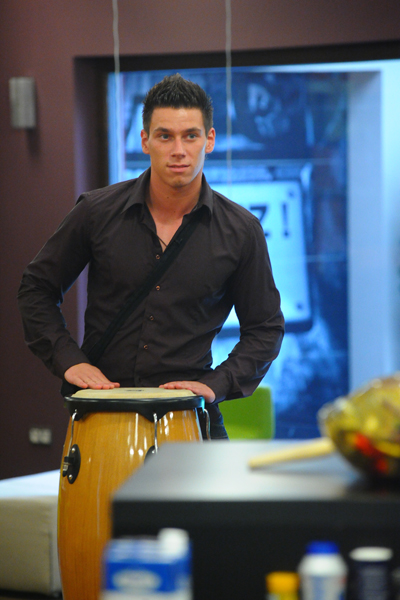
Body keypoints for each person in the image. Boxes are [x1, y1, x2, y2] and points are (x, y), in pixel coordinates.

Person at [17, 74, 284, 439]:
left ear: (209, 140)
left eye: (190, 136)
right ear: (145, 140)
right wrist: (68, 360)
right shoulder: (96, 212)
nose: (179, 150)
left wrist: (217, 383)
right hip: (104, 411)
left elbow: (265, 328)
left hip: (190, 415)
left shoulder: (241, 230)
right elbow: (36, 288)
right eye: (165, 136)